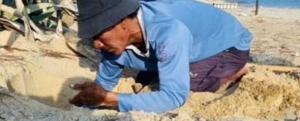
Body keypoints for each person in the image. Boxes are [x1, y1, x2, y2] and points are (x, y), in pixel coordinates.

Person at [69, 0, 252, 113]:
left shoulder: (169, 33)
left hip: (227, 44)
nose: (96, 44)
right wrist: (89, 98)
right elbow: (105, 81)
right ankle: (167, 65)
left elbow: (174, 98)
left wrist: (112, 98)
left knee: (192, 86)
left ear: (122, 23)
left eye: (98, 34)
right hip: (179, 43)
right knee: (152, 72)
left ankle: (236, 69)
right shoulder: (114, 42)